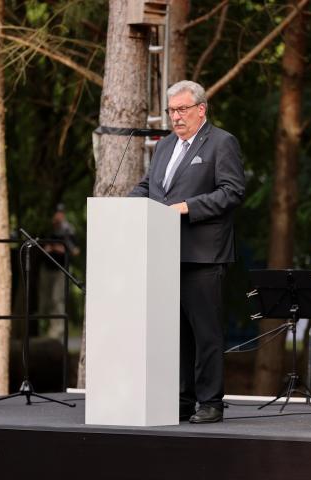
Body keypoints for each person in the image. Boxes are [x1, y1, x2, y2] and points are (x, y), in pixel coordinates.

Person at [129, 80, 246, 423]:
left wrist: (187, 207)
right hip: (166, 254)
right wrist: (129, 207)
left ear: (201, 109)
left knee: (206, 333)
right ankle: (183, 399)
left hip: (204, 255)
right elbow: (149, 186)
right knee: (177, 333)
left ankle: (211, 402)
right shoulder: (165, 145)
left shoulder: (221, 143)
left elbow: (232, 192)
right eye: (171, 111)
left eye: (182, 110)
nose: (176, 117)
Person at [38, 205, 80, 339]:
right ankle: (50, 329)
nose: (58, 216)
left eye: (60, 213)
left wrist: (58, 248)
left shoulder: (68, 231)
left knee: (57, 299)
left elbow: (75, 251)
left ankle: (58, 331)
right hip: (46, 269)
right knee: (47, 301)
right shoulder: (47, 230)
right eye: (56, 213)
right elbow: (40, 248)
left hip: (61, 270)